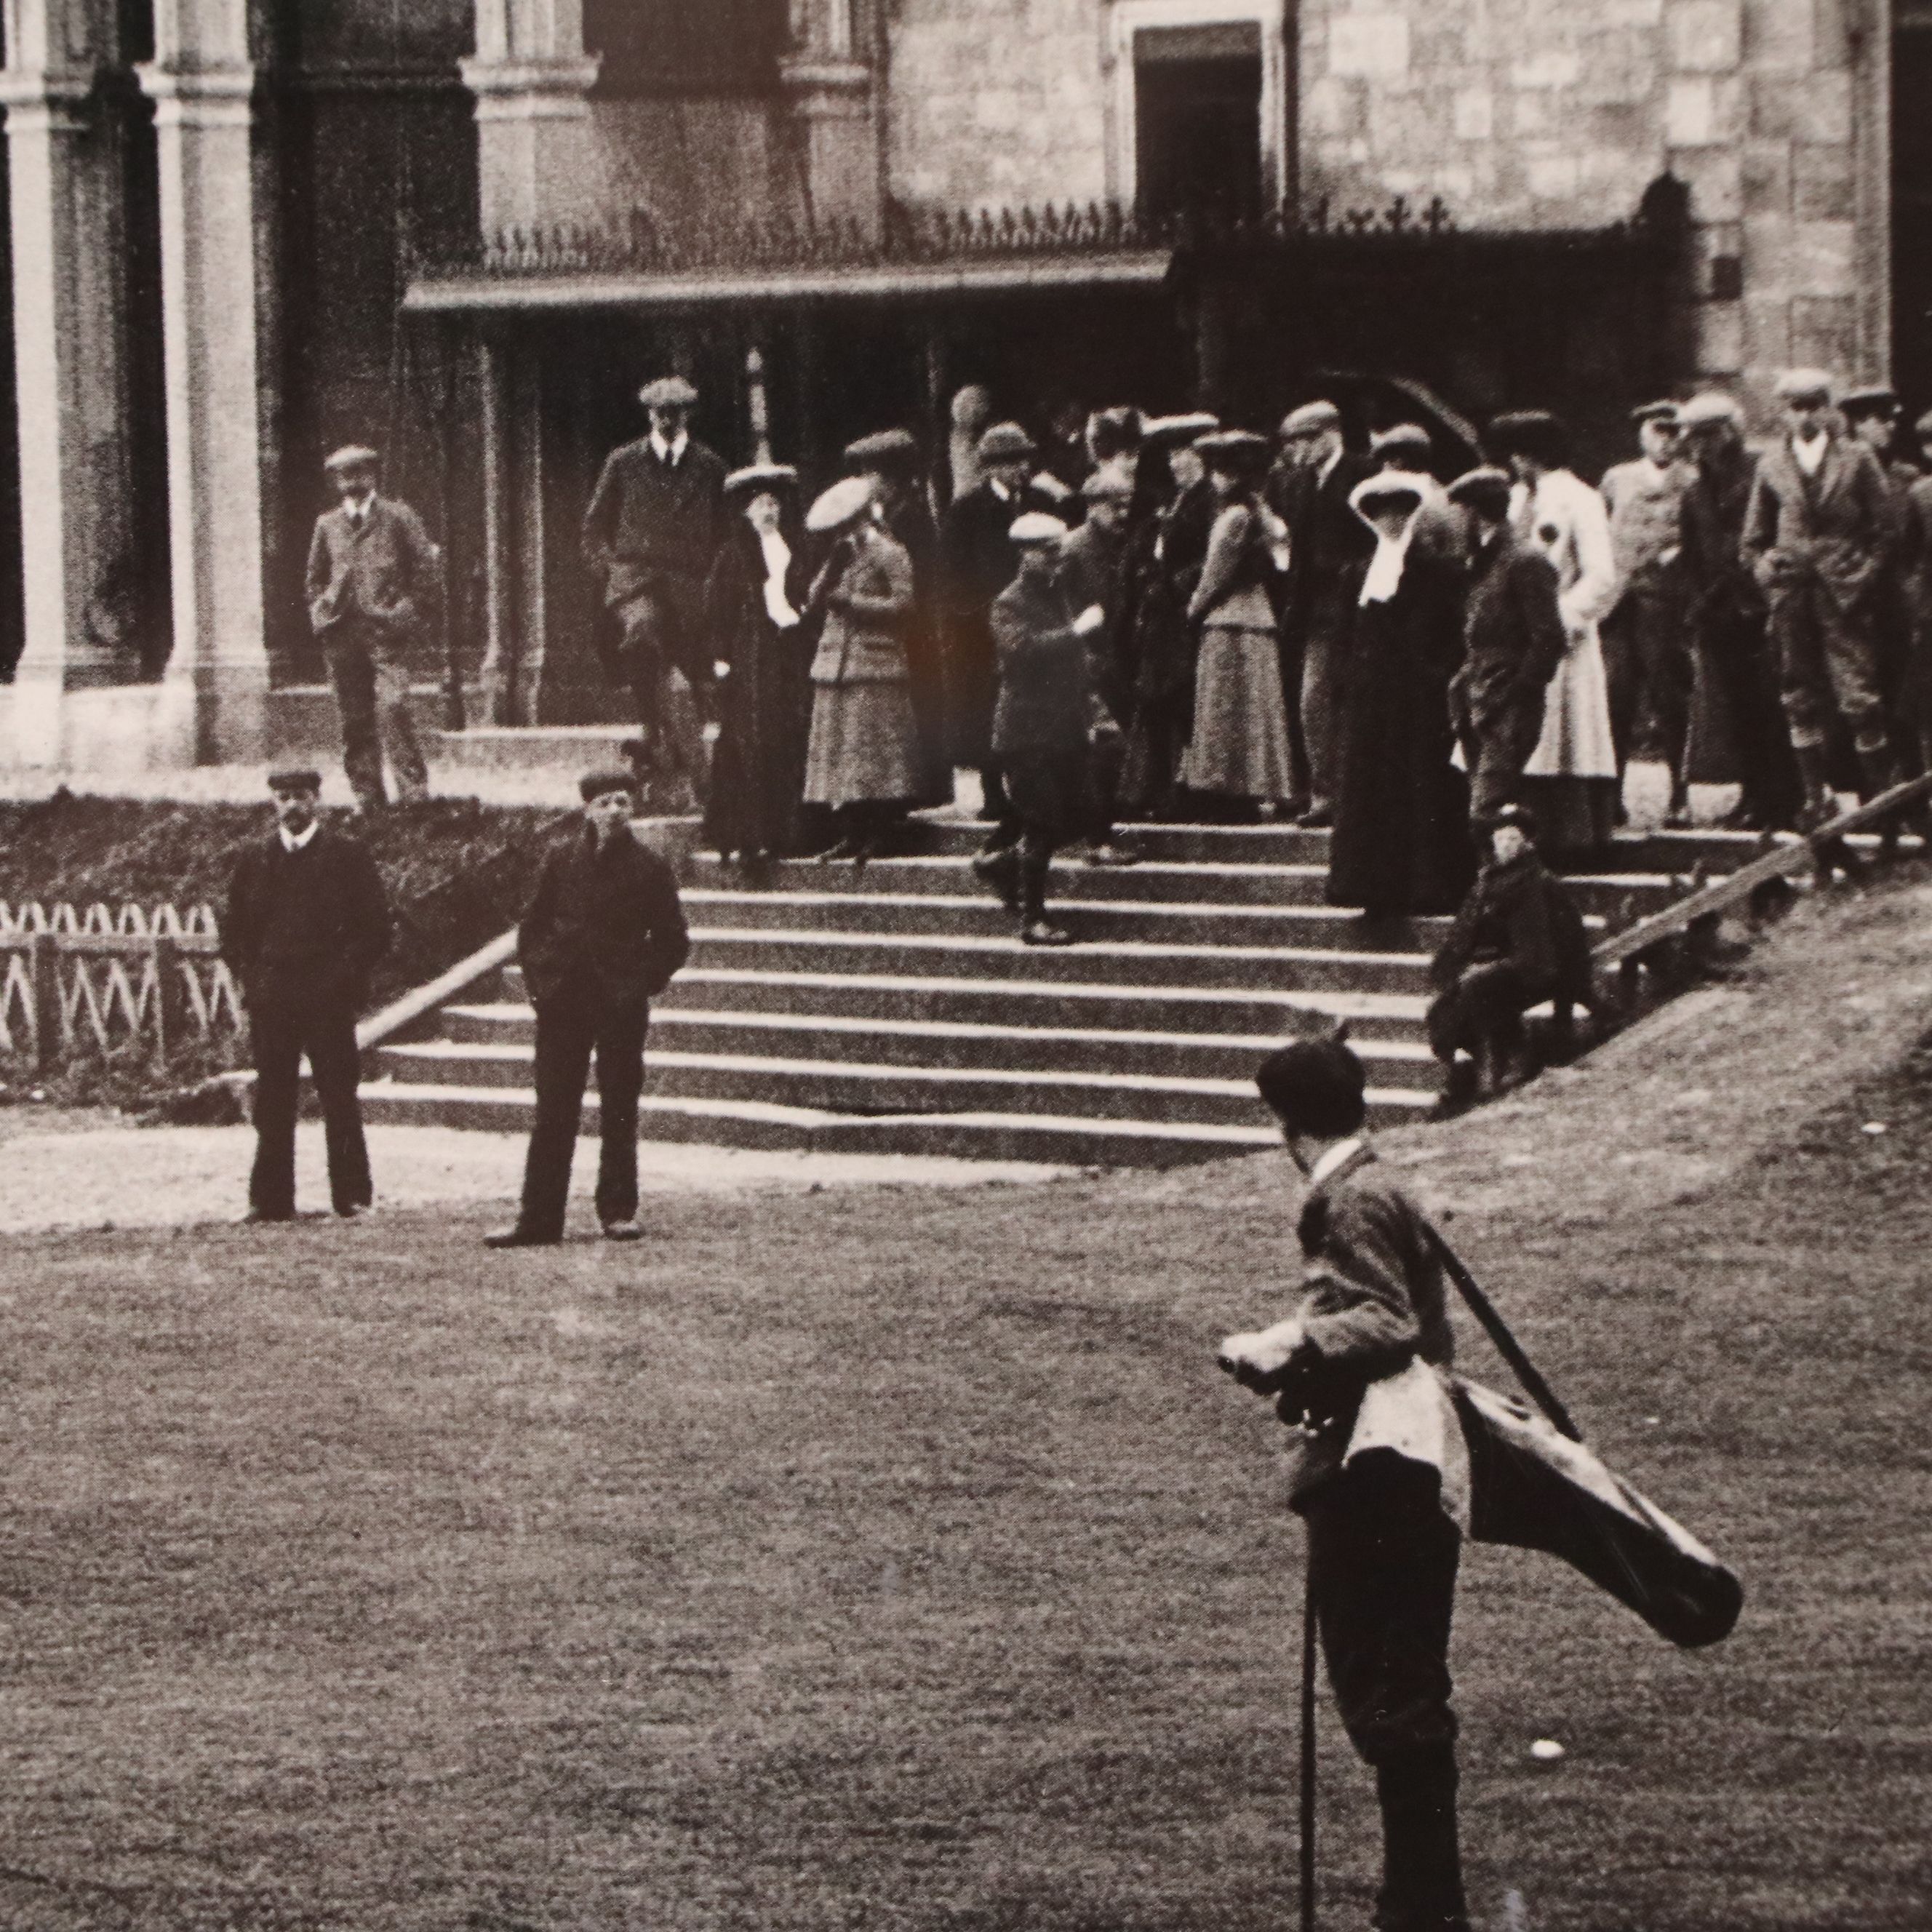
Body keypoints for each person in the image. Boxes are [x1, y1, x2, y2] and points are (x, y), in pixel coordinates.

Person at [1218, 1034, 1474, 1932]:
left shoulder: (1348, 1197)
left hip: (1378, 1464)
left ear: (1281, 1122)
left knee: (1386, 1685)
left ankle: (1423, 1911)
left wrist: (1285, 1344)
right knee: (1403, 1683)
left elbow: (1384, 1319)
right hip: (1412, 1453)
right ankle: (1422, 1904)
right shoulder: (1382, 1178)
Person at [487, 770, 690, 1248]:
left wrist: (638, 983)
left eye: (623, 801)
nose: (615, 810)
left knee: (619, 1106)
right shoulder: (561, 859)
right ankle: (538, 1218)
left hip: (620, 1003)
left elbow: (673, 942)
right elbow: (532, 927)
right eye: (604, 803)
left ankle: (618, 1211)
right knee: (554, 1109)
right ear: (587, 809)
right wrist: (542, 984)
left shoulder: (650, 868)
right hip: (564, 1001)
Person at [222, 767, 392, 1224]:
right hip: (273, 998)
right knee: (274, 1097)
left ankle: (352, 1196)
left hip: (327, 998)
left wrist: (343, 976)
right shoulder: (254, 858)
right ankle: (270, 1200)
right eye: (282, 797)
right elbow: (234, 930)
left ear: (317, 799)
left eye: (300, 796)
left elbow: (375, 927)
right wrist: (253, 979)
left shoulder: (346, 855)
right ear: (272, 802)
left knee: (338, 1094)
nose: (291, 806)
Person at [1742, 368, 1901, 827]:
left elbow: (1885, 532)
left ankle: (1883, 807)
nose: (1805, 416)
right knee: (1799, 696)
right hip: (1793, 594)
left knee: (1859, 697)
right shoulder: (1770, 465)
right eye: (1796, 407)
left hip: (1844, 593)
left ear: (1829, 410)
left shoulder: (1857, 459)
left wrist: (1863, 575)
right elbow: (1753, 538)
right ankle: (1815, 801)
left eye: (1814, 406)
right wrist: (1766, 570)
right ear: (1783, 413)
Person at [1326, 474, 1476, 919]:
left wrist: (1434, 678)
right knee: (1371, 790)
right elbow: (1343, 638)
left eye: (1400, 511)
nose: (1391, 521)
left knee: (1419, 786)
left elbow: (1455, 636)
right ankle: (1373, 887)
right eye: (1381, 512)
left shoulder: (1439, 570)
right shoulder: (1357, 573)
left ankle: (1426, 887)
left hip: (1418, 701)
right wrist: (1347, 681)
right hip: (1370, 703)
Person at [581, 375, 731, 811]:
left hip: (689, 587)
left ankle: (672, 759)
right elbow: (593, 527)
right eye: (660, 413)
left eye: (676, 412)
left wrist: (714, 581)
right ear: (649, 414)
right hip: (636, 584)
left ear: (688, 415)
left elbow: (725, 535)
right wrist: (611, 573)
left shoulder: (710, 467)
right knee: (644, 635)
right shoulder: (623, 462)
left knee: (688, 686)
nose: (667, 420)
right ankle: (662, 741)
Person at [975, 514, 1114, 945]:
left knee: (1079, 814)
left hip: (1063, 728)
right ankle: (1033, 919)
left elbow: (1069, 660)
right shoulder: (1009, 602)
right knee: (1042, 822)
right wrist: (1076, 632)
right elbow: (1022, 653)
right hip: (1026, 733)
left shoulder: (1057, 594)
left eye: (1059, 550)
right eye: (1048, 553)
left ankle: (1004, 865)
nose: (1058, 560)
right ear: (1025, 555)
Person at [1489, 410, 1622, 858]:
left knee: (1562, 733)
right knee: (1520, 732)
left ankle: (1570, 837)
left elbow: (1601, 574)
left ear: (1530, 455)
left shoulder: (1580, 499)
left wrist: (1557, 616)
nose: (1512, 464)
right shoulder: (1513, 501)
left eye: (1516, 454)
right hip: (1514, 641)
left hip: (1561, 637)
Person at [1677, 393, 1803, 831]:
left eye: (1709, 436)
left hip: (1763, 605)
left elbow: (1776, 535)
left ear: (1732, 431)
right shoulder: (1694, 492)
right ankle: (1754, 793)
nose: (1701, 447)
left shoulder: (1760, 473)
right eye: (1694, 439)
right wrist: (1700, 603)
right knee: (1738, 709)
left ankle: (1786, 798)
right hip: (1719, 614)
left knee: (1775, 705)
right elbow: (1692, 555)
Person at [1427, 805, 1594, 1110]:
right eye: (1500, 838)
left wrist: (1494, 967)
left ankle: (1505, 1057)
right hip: (1494, 964)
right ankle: (1472, 1065)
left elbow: (1541, 948)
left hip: (1530, 970)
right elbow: (1465, 932)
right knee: (1445, 1004)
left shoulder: (1536, 882)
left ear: (1528, 843)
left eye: (1513, 839)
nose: (1505, 846)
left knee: (1477, 986)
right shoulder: (1486, 881)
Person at [304, 444, 437, 815]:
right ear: (335, 481)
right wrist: (321, 613)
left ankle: (414, 796)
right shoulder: (327, 524)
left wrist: (404, 614)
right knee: (354, 717)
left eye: (360, 472)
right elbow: (314, 579)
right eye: (344, 475)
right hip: (342, 634)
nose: (353, 481)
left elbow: (425, 571)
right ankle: (368, 798)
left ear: (374, 475)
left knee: (393, 707)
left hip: (385, 632)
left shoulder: (398, 516)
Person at [938, 420, 1055, 837]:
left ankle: (1036, 791)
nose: (1020, 469)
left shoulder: (1041, 502)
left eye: (1023, 460)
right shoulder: (967, 510)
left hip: (1034, 618)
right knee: (988, 708)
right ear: (991, 467)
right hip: (982, 625)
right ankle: (993, 792)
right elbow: (950, 573)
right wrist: (975, 613)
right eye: (1010, 462)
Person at [802, 476, 922, 863]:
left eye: (853, 523)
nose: (847, 531)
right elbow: (812, 598)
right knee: (842, 753)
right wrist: (832, 569)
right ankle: (851, 832)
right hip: (836, 664)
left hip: (874, 662)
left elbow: (905, 606)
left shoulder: (890, 552)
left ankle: (879, 832)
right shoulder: (840, 555)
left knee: (872, 752)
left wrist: (853, 601)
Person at [700, 463, 814, 865]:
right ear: (746, 513)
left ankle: (793, 832)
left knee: (792, 736)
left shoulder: (795, 549)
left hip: (791, 655)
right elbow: (717, 615)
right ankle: (752, 834)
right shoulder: (732, 557)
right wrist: (721, 661)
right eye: (760, 505)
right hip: (753, 662)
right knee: (754, 740)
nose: (769, 511)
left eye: (774, 504)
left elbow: (805, 598)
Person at [1269, 400, 1376, 825]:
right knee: (1313, 700)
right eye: (1294, 442)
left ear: (1330, 435)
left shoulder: (1364, 474)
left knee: (1350, 699)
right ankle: (1324, 792)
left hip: (1357, 604)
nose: (1299, 450)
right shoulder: (1296, 482)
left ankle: (1350, 793)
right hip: (1310, 609)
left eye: (1306, 440)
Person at [1180, 431, 1297, 818]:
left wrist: (1193, 608)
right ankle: (1252, 786)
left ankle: (1224, 790)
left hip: (1228, 618)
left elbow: (1215, 573)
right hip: (1258, 615)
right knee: (1253, 708)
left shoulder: (1232, 517)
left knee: (1224, 708)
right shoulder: (1263, 515)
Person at [1445, 466, 1567, 831]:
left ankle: (1519, 879)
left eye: (1458, 512)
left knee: (1487, 810)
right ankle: (1502, 881)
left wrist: (1517, 693)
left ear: (1474, 514)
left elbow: (1549, 639)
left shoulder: (1525, 560)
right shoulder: (1482, 561)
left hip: (1507, 703)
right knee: (1487, 809)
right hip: (1477, 700)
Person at [1599, 402, 1694, 823]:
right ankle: (1610, 799)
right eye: (1658, 430)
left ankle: (1680, 797)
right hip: (1619, 603)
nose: (1666, 439)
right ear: (1641, 433)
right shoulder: (1617, 479)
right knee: (1615, 697)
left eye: (1675, 432)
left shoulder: (1691, 480)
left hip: (1664, 604)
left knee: (1669, 698)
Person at [845, 428, 951, 807]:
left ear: (888, 478)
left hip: (914, 627)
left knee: (918, 704)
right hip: (910, 626)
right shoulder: (896, 515)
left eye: (870, 475)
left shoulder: (909, 520)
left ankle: (926, 788)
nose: (865, 483)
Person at [1121, 413, 1219, 818]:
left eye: (1185, 455)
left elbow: (1208, 559)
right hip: (1164, 616)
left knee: (1181, 699)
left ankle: (1184, 789)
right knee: (1161, 700)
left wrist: (1177, 585)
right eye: (1174, 455)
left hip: (1185, 614)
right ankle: (1159, 790)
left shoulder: (1208, 501)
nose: (1176, 463)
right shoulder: (1180, 500)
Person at [1057, 465, 1140, 863]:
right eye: (1114, 507)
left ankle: (1097, 830)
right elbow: (1065, 608)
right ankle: (1098, 839)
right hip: (1088, 662)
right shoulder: (1073, 548)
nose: (1123, 514)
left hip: (1119, 660)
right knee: (1104, 747)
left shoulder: (1123, 544)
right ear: (1093, 507)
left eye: (1126, 506)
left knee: (1111, 749)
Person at [1369, 421, 1463, 563]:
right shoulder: (1445, 499)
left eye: (1385, 464)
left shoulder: (1409, 506)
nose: (1383, 472)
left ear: (1398, 462)